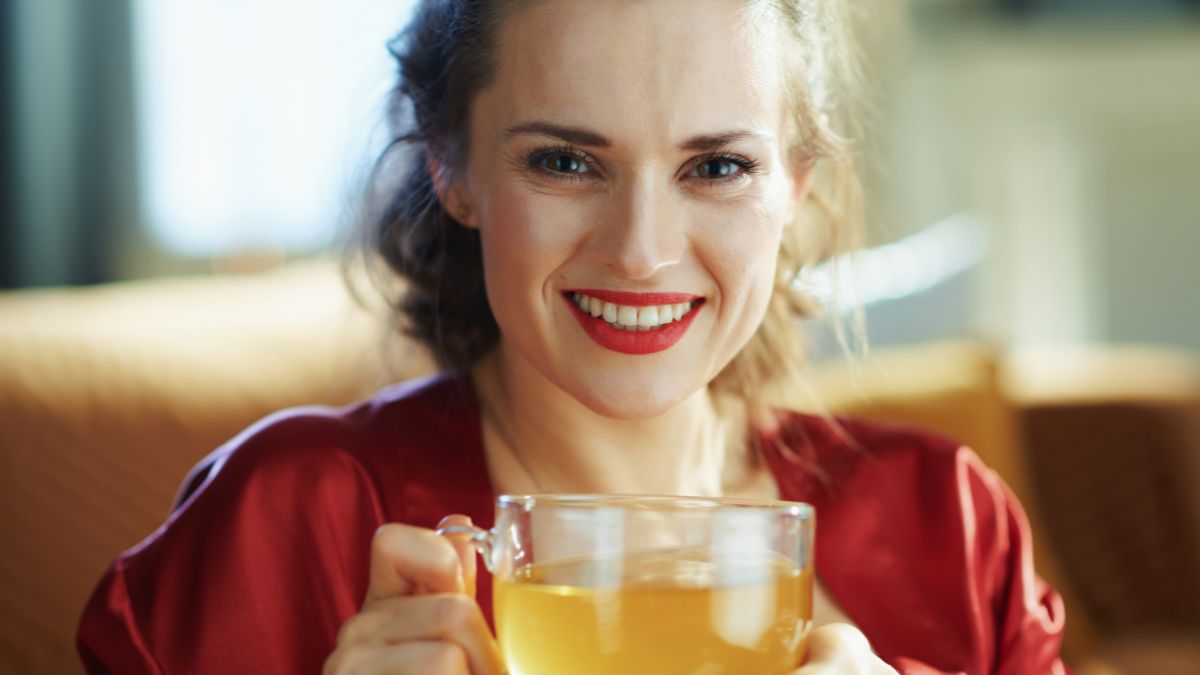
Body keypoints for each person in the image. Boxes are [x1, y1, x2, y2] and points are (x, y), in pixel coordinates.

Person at [78, 0, 1070, 673]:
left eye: (717, 168)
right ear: (450, 168)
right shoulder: (287, 518)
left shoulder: (954, 529)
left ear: (794, 187)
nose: (641, 252)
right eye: (563, 161)